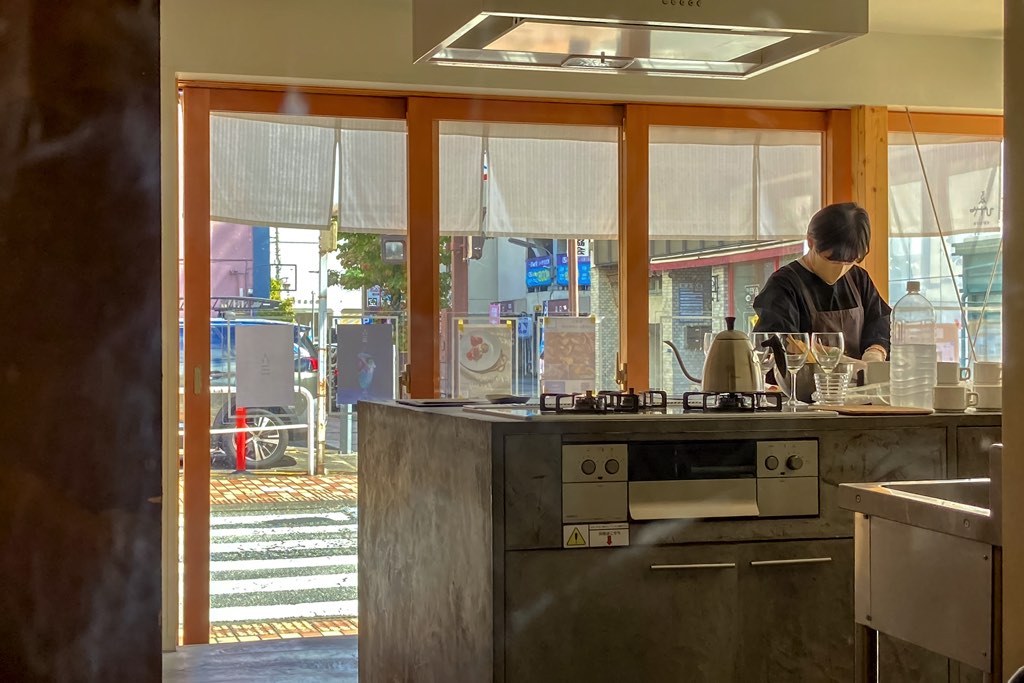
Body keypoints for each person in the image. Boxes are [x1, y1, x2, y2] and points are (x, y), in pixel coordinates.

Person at [753, 202, 891, 377]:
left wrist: (875, 352)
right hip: (806, 388)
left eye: (849, 261)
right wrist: (835, 359)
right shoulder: (783, 285)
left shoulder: (858, 278)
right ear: (811, 242)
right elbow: (780, 344)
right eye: (832, 260)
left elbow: (879, 321)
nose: (841, 268)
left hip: (858, 387)